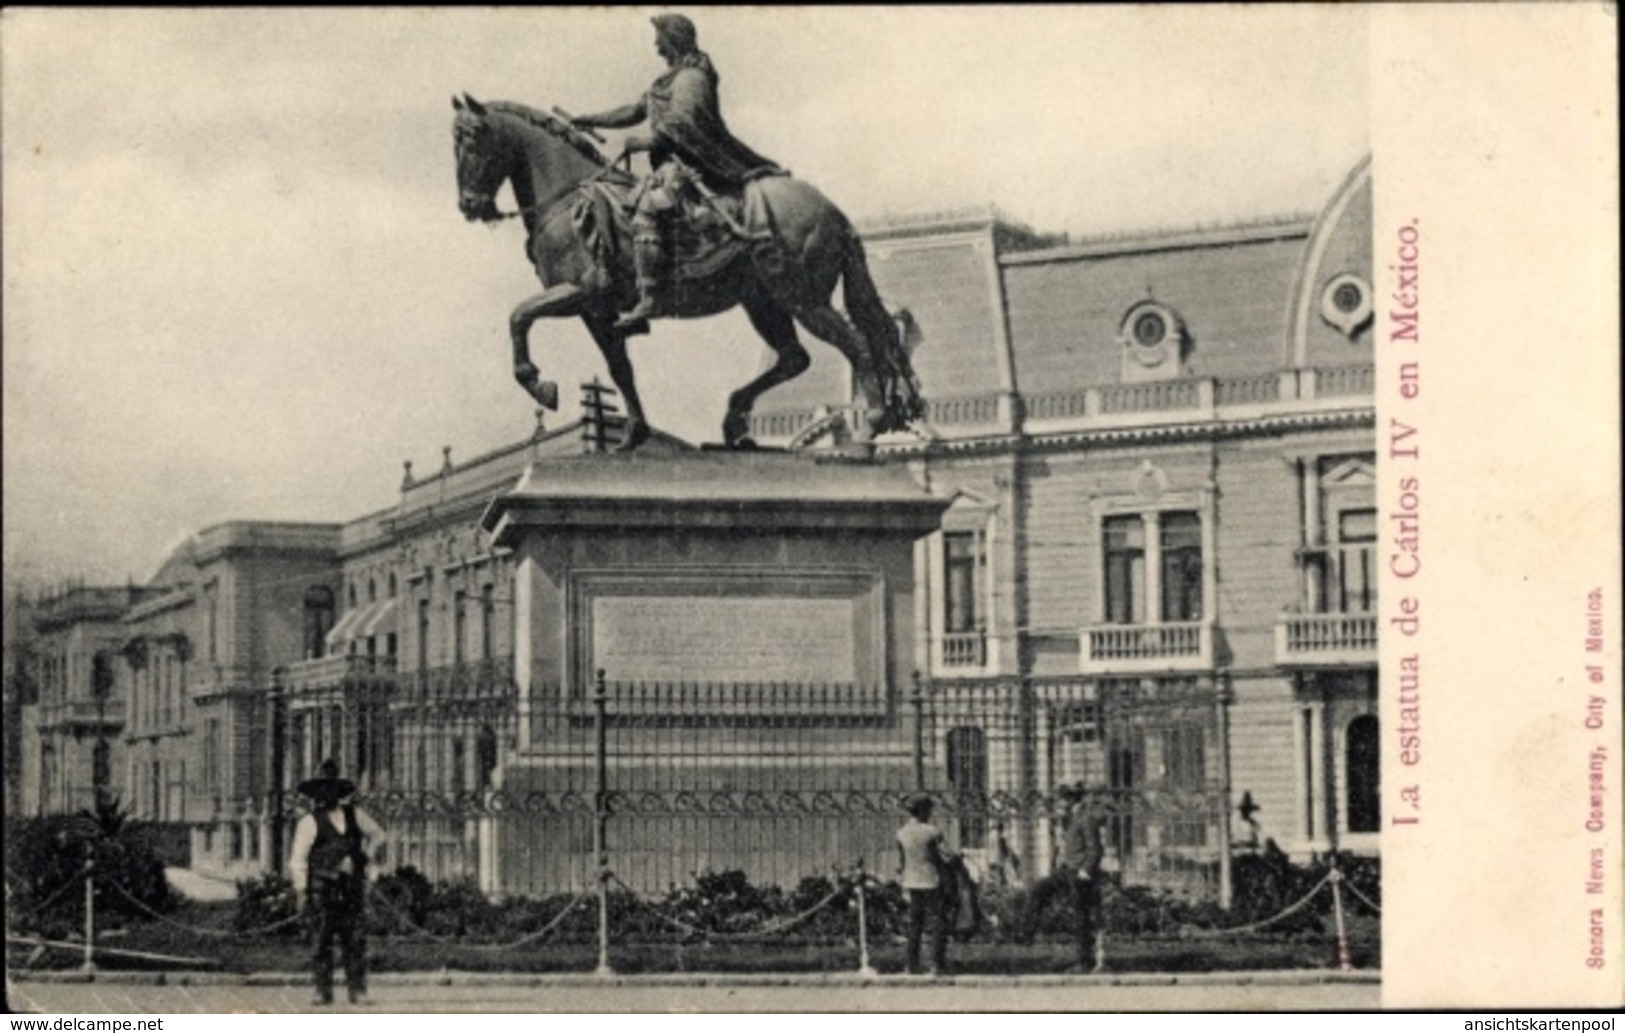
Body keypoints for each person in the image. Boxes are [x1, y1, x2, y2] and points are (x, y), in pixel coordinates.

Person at [570, 14, 782, 330]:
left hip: (692, 165)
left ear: (674, 39)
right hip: (670, 164)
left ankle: (651, 296)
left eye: (660, 38)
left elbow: (685, 121)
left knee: (649, 205)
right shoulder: (668, 79)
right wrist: (590, 119)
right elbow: (633, 110)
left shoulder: (692, 78)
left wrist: (648, 140)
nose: (656, 46)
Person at [287, 759, 388, 1006]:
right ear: (315, 793)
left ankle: (357, 991)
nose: (326, 795)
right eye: (321, 789)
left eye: (331, 788)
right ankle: (322, 990)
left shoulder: (356, 816)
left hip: (351, 888)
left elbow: (379, 835)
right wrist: (301, 891)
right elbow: (298, 859)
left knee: (354, 939)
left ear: (338, 792)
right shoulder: (309, 822)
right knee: (322, 940)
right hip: (323, 889)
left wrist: (365, 857)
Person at [1018, 782, 1108, 972]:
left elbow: (1096, 850)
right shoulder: (1071, 820)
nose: (1060, 806)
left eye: (1063, 802)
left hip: (1081, 875)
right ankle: (1026, 934)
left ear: (1072, 801)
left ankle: (1084, 961)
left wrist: (1086, 871)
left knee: (1080, 917)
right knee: (1038, 889)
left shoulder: (1086, 819)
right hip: (1066, 871)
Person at [894, 793, 952, 976]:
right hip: (932, 881)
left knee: (915, 924)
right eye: (929, 809)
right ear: (923, 810)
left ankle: (911, 965)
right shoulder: (932, 832)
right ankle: (936, 965)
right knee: (937, 923)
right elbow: (945, 856)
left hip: (911, 881)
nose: (931, 812)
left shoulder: (901, 833)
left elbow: (901, 862)